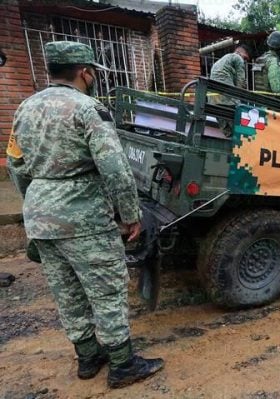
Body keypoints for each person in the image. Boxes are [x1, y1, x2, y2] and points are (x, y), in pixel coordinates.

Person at [7, 41, 163, 388]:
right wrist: (130, 215)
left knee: (67, 292)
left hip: (40, 218)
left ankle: (88, 357)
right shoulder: (88, 109)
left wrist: (39, 202)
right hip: (85, 218)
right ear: (85, 72)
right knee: (106, 291)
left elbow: (15, 165)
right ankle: (123, 365)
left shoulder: (24, 109)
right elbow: (115, 169)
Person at [252, 31, 280, 99]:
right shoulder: (273, 62)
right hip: (272, 105)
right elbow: (278, 90)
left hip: (260, 102)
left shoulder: (261, 59)